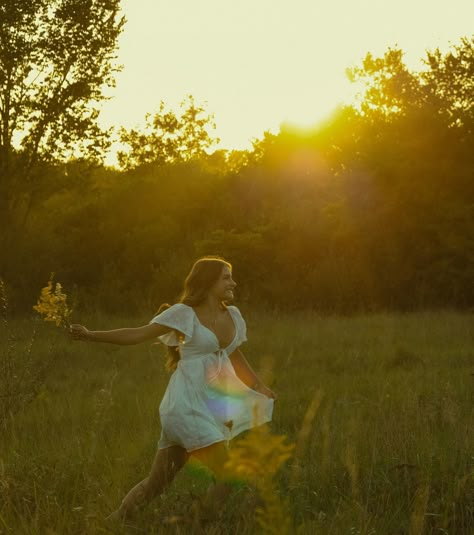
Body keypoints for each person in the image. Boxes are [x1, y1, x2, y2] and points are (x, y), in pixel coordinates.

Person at [69, 256, 276, 524]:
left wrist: (258, 384)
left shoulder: (233, 316)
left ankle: (109, 524)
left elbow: (234, 355)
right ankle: (192, 525)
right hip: (185, 406)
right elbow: (138, 333)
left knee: (157, 484)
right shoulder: (183, 314)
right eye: (226, 277)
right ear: (209, 281)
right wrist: (91, 334)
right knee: (228, 475)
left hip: (210, 408)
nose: (232, 282)